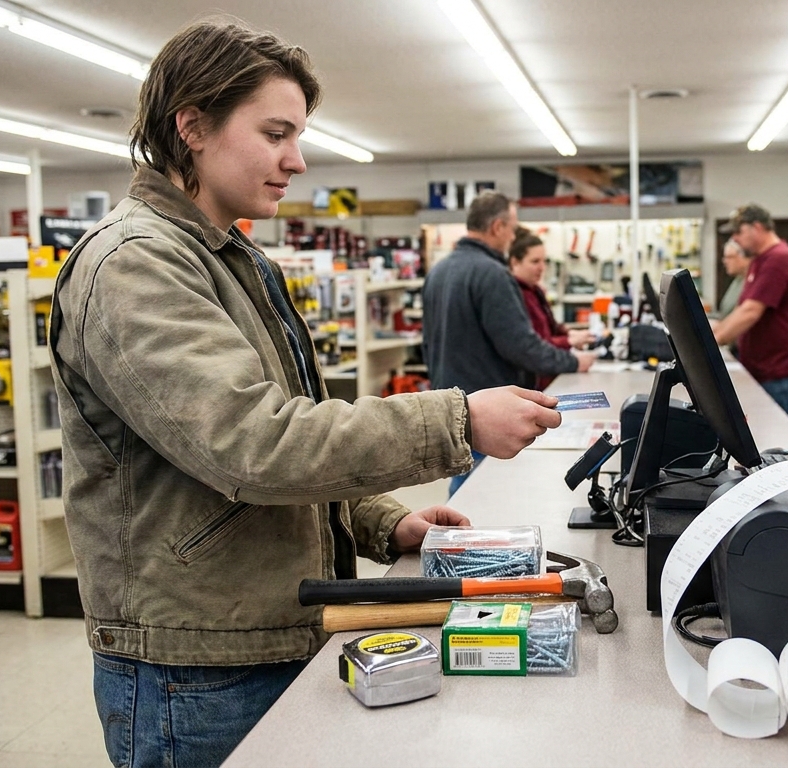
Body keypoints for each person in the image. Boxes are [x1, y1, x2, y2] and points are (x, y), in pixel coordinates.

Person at [46, 20, 564, 768]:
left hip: (265, 626)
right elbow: (253, 446)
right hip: (195, 670)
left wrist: (384, 524)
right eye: (276, 132)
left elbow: (293, 436)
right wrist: (457, 420)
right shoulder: (136, 264)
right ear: (191, 125)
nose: (298, 158)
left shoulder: (233, 257)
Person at [423, 192, 595, 494]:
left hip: (449, 399)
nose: (514, 235)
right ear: (498, 227)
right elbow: (522, 346)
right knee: (479, 488)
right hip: (484, 405)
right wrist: (573, 361)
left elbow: (428, 341)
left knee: (466, 480)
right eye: (513, 228)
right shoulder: (492, 274)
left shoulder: (439, 270)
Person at [710, 204, 788, 425]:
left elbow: (750, 311)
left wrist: (712, 341)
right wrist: (714, 330)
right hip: (766, 370)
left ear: (756, 227)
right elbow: (742, 308)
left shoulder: (778, 259)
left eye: (739, 232)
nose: (735, 239)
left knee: (782, 448)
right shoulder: (760, 260)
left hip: (782, 373)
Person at [507, 227, 594, 390]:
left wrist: (570, 333)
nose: (541, 268)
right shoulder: (515, 296)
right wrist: (568, 342)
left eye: (543, 261)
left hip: (551, 378)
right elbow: (534, 346)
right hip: (535, 383)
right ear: (515, 262)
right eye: (534, 262)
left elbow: (550, 327)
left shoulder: (535, 291)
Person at [711, 239, 751, 319]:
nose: (725, 261)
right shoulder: (738, 280)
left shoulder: (752, 282)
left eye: (729, 257)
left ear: (743, 257)